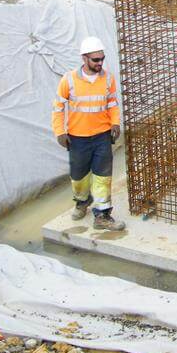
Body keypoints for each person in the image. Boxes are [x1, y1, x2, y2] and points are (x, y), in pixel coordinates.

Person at [51, 36, 126, 231]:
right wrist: (60, 132)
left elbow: (112, 103)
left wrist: (115, 123)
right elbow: (58, 108)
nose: (100, 63)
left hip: (102, 136)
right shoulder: (68, 80)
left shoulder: (108, 79)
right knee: (79, 177)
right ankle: (82, 202)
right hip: (78, 138)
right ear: (84, 58)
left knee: (103, 176)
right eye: (95, 60)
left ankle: (102, 215)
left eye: (102, 59)